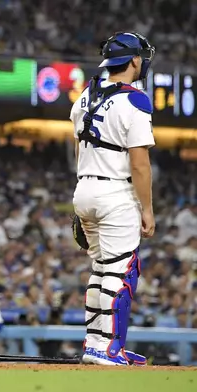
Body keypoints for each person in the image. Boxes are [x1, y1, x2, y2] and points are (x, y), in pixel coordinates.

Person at [70, 32, 155, 366]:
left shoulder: (83, 97)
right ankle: (109, 348)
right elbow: (139, 163)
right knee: (121, 272)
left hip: (84, 187)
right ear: (134, 60)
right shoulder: (135, 99)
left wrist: (86, 192)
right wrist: (147, 208)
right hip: (115, 192)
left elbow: (80, 148)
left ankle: (95, 344)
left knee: (100, 269)